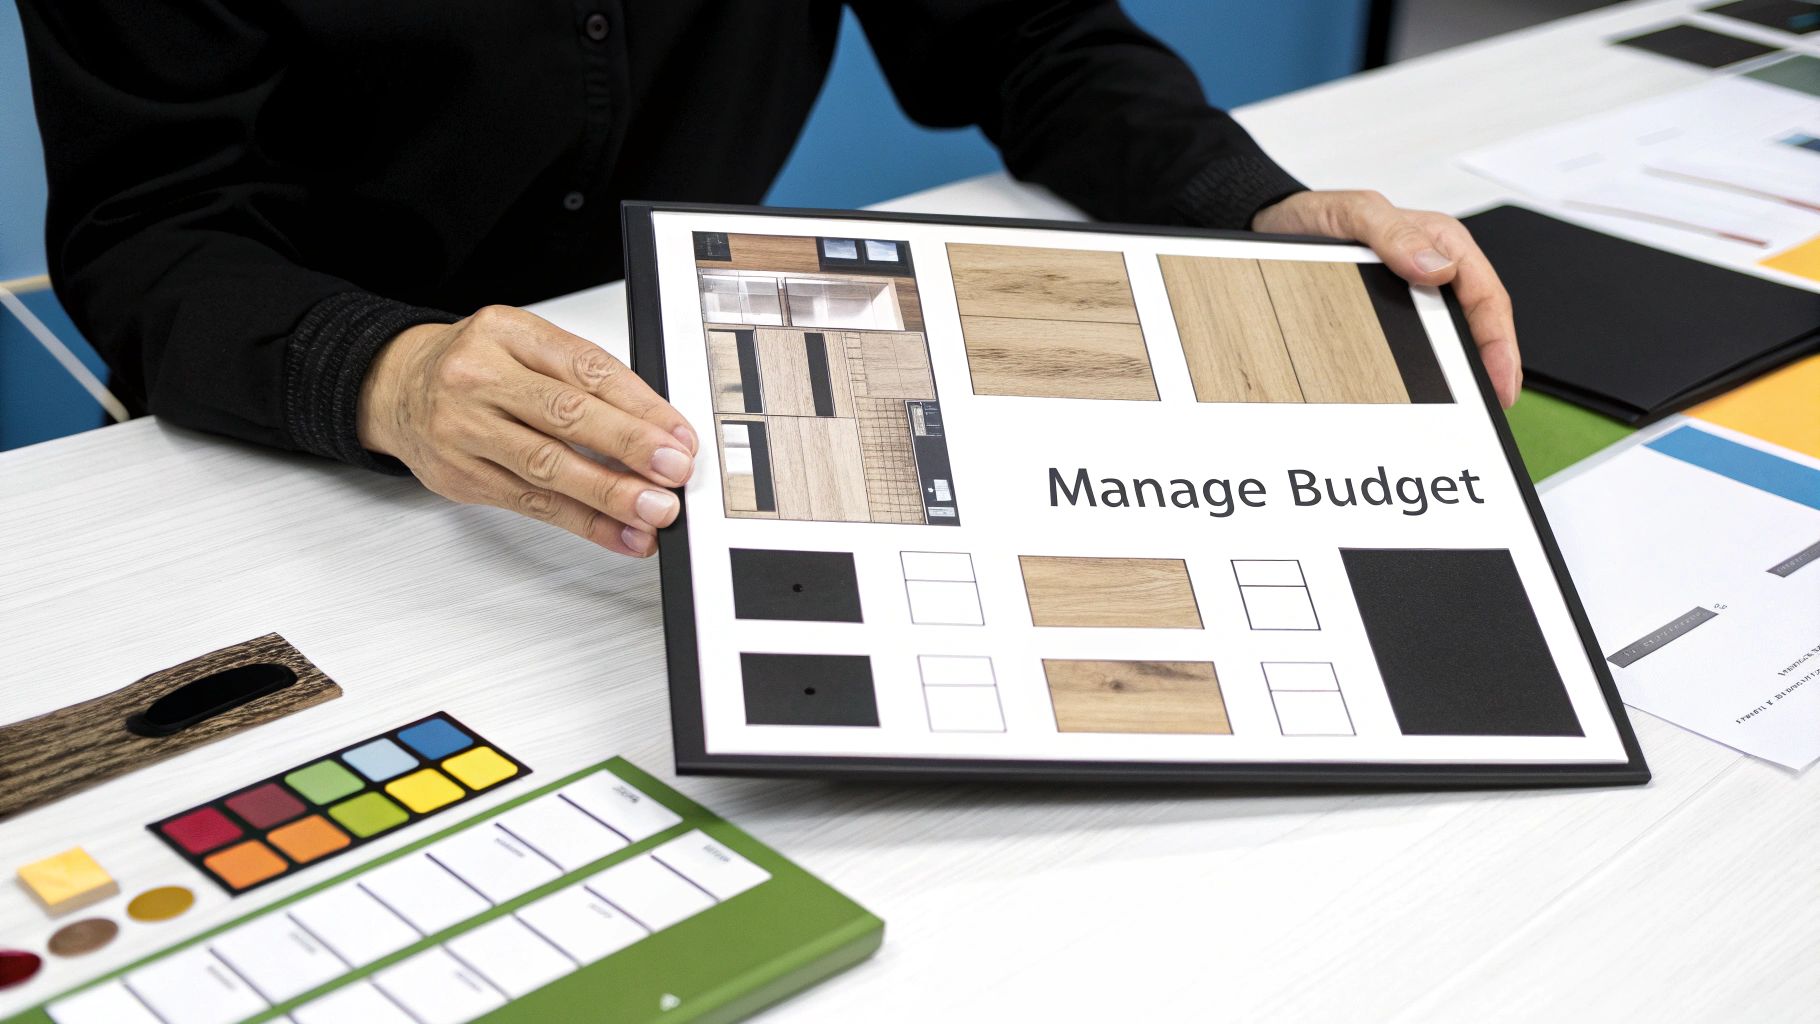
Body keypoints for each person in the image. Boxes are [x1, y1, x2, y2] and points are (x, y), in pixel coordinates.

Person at [18, 1, 1519, 557]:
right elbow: (141, 228)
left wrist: (1252, 204)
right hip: (283, 448)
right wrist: (380, 370)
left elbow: (1025, 34)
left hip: (689, 405)